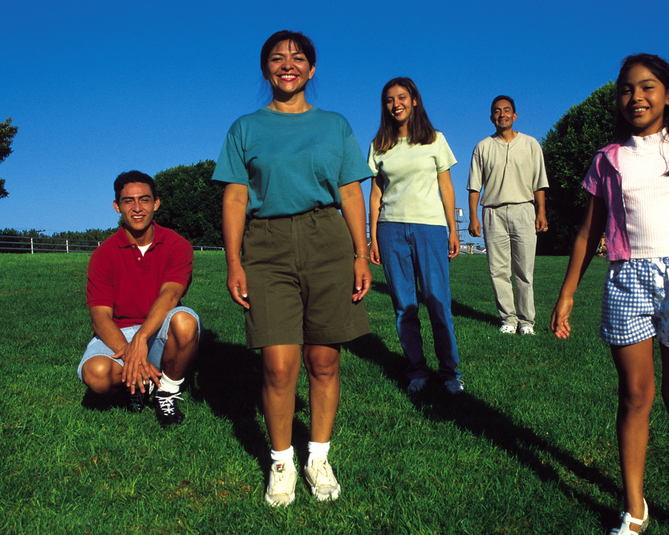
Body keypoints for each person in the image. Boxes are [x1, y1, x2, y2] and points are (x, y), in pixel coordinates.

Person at [551, 54, 669, 535]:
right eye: (626, 89)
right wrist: (567, 293)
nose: (636, 97)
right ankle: (635, 509)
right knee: (633, 395)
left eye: (647, 87)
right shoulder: (608, 159)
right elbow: (588, 233)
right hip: (627, 282)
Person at [212, 30, 372, 507]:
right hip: (266, 246)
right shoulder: (245, 128)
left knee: (323, 359)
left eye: (298, 58)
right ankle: (281, 461)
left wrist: (361, 254)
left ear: (312, 69)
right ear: (266, 70)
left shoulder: (335, 125)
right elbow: (236, 196)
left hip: (328, 241)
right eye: (278, 59)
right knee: (278, 364)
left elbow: (349, 192)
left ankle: (317, 457)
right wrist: (233, 261)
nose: (288, 65)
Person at [77, 171, 201, 427]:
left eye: (144, 200)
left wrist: (142, 338)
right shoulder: (103, 254)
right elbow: (100, 317)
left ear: (156, 203)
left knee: (186, 321)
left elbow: (171, 295)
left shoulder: (177, 245)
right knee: (96, 375)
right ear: (116, 206)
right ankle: (135, 386)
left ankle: (166, 392)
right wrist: (130, 352)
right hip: (117, 334)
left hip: (157, 333)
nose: (136, 208)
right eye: (128, 201)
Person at [367, 77, 464, 395]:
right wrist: (373, 236)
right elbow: (375, 193)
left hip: (430, 228)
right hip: (390, 230)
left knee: (438, 302)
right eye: (389, 100)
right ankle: (417, 371)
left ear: (415, 100)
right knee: (404, 306)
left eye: (401, 98)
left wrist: (453, 229)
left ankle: (450, 373)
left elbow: (446, 186)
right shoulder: (379, 145)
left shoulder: (435, 139)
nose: (396, 104)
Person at [467, 95, 549, 335]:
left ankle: (526, 322)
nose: (501, 114)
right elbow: (474, 186)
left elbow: (539, 182)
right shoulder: (482, 147)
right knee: (498, 270)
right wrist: (473, 217)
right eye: (497, 111)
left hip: (524, 209)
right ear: (491, 117)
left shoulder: (531, 144)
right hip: (492, 212)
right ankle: (509, 320)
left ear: (514, 115)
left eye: (506, 110)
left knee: (524, 270)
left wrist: (541, 211)